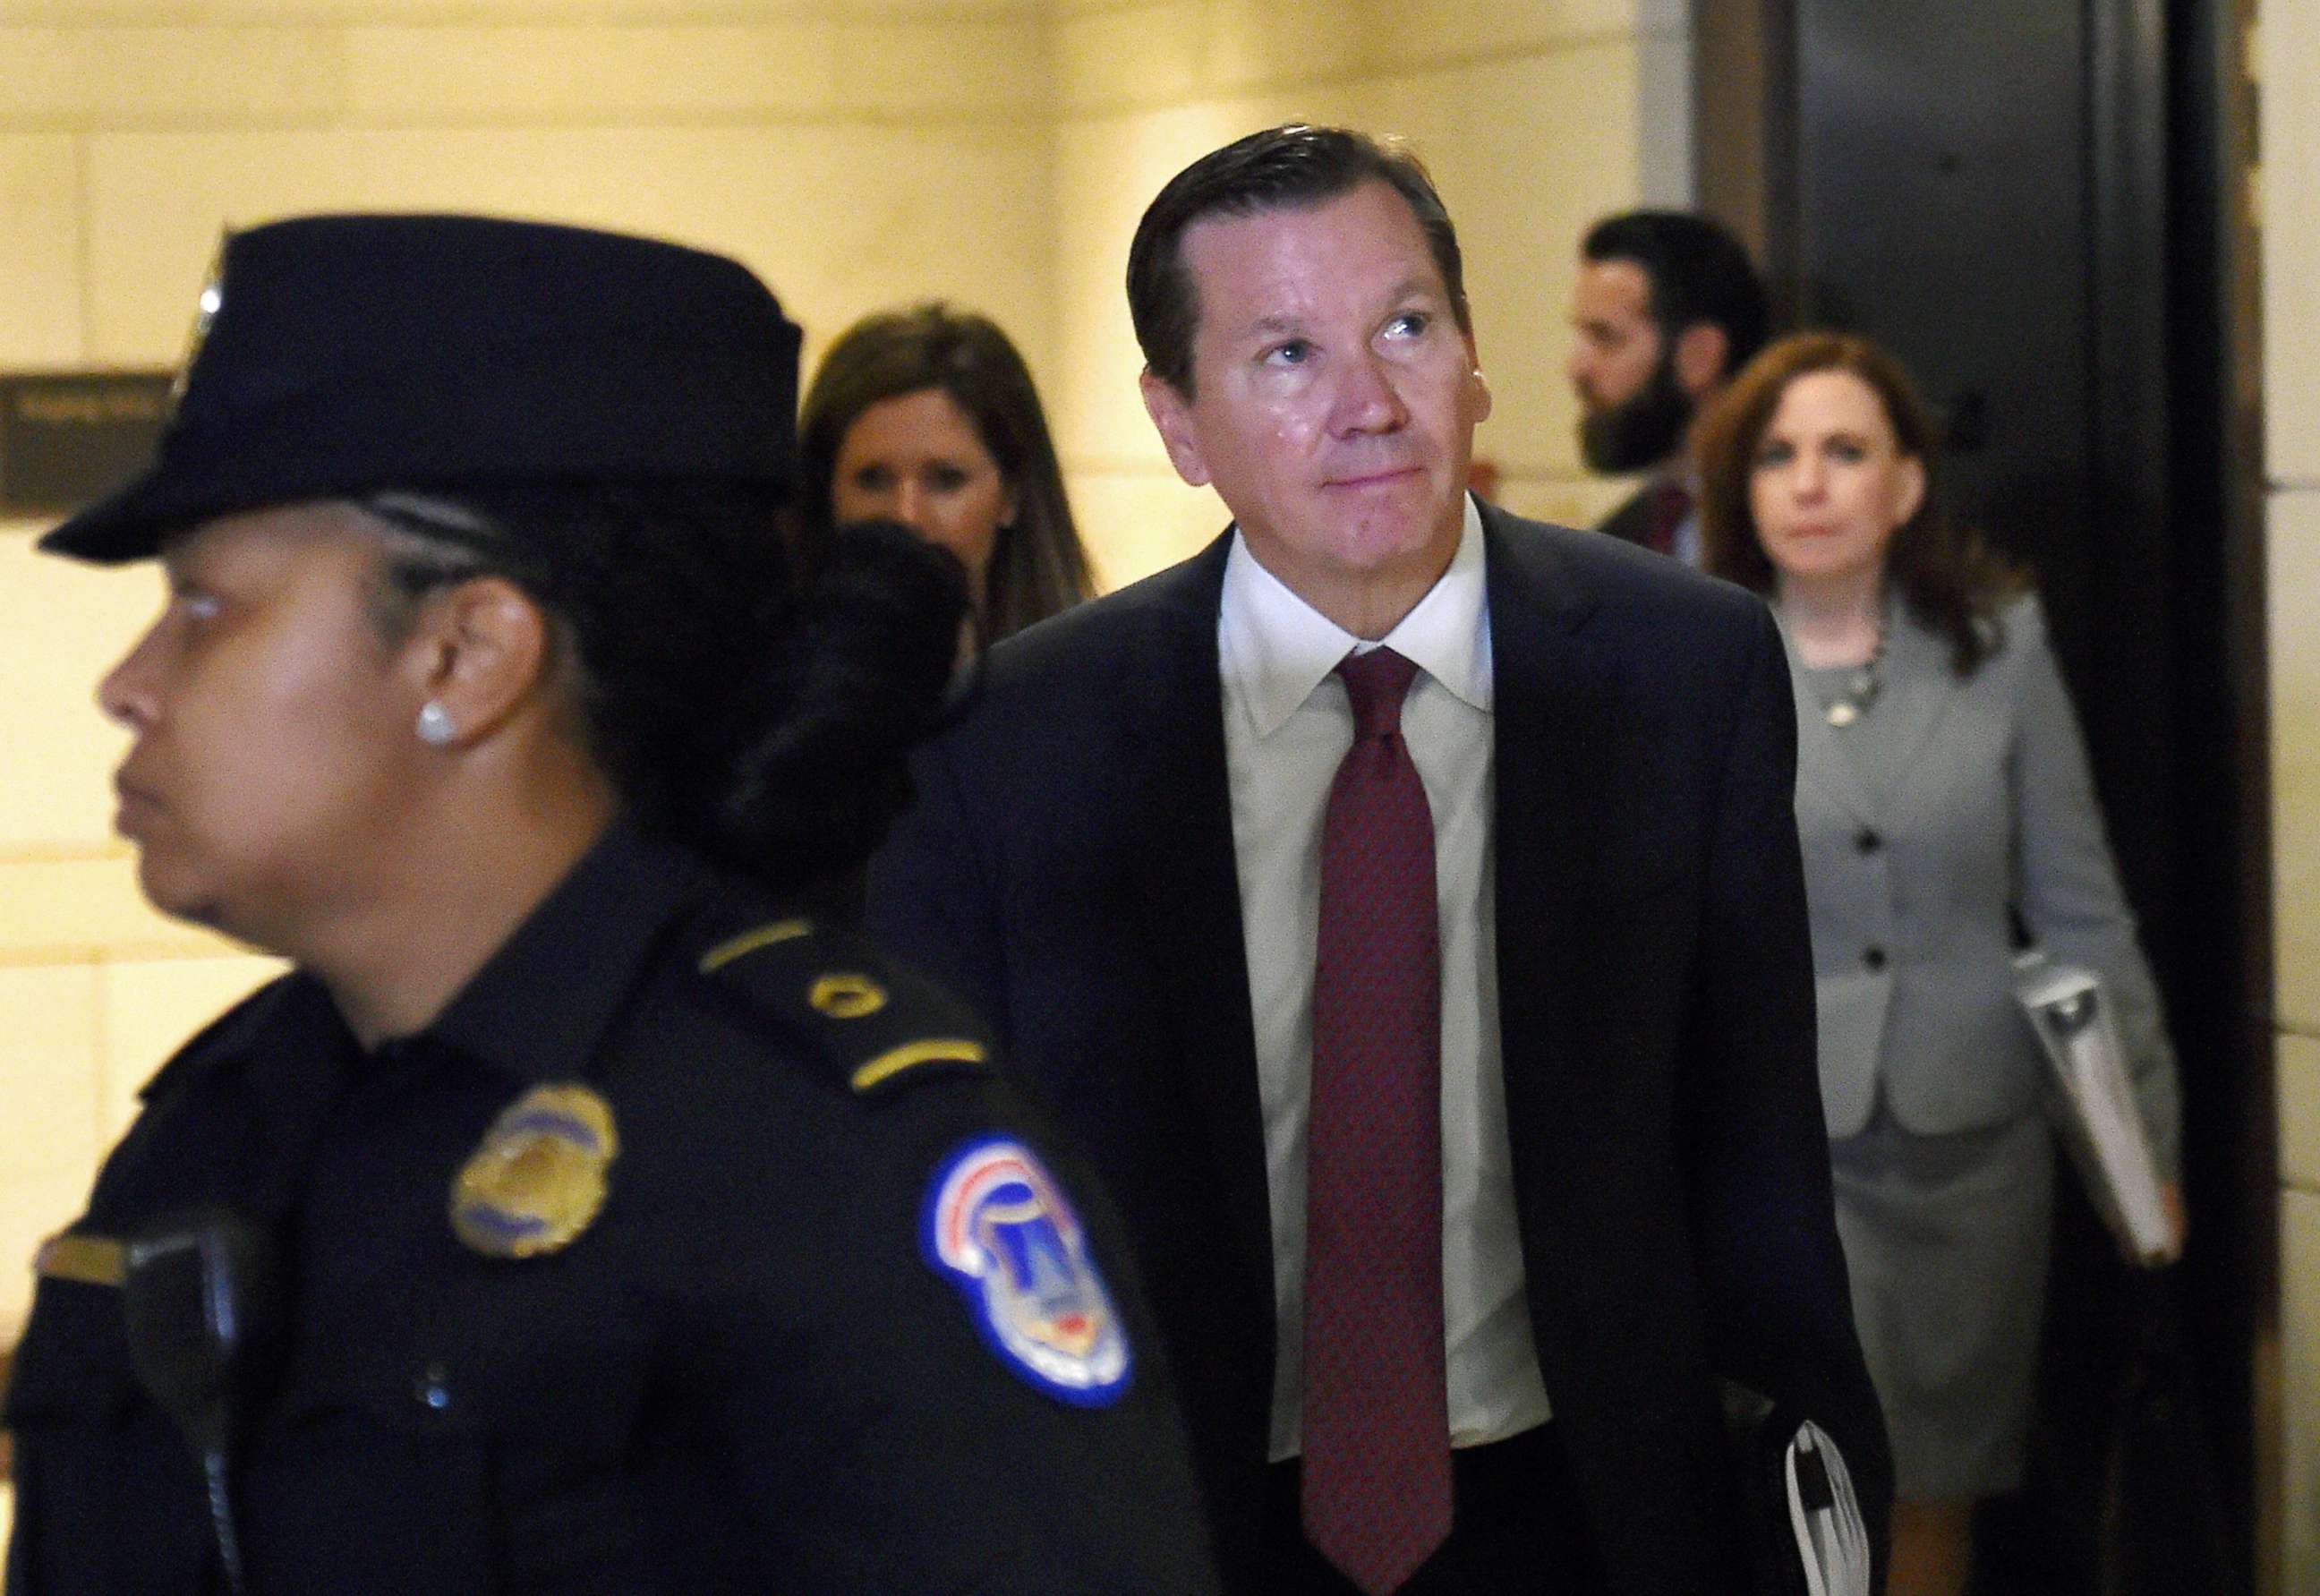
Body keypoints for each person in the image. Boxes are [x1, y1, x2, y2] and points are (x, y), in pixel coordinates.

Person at [1, 214, 1221, 1595]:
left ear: (467, 653)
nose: (132, 681)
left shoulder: (831, 1166)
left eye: (207, 608)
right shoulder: (214, 1134)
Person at [868, 124, 1889, 1596]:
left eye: (1403, 328)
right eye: (1285, 354)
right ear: (1177, 422)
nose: (1368, 404)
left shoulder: (1682, 670)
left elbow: (1758, 1174)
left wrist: (1818, 1528)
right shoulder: (1009, 745)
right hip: (1181, 1526)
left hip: (1586, 1511)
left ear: (1472, 356)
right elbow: (957, 1221)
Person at [1694, 330, 2184, 1596]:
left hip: (1967, 1163)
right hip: (1777, 1156)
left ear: (1905, 484)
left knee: (1931, 1498)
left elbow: (2082, 917)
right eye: (1779, 454)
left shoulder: (1997, 646)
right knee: (1793, 1496)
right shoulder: (1695, 653)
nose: (1808, 482)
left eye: (1845, 451)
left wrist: (2143, 1170)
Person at [798, 303, 1096, 646]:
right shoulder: (765, 692)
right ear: (825, 491)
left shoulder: (1095, 683)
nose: (906, 517)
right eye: (874, 480)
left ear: (1011, 492)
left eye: (945, 480)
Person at [1567, 210, 1768, 564]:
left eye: (1605, 338)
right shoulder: (1616, 546)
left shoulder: (1796, 529)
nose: (1576, 368)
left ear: (1700, 356)